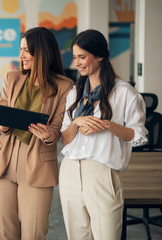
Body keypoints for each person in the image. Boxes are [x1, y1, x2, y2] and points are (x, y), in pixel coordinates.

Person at [59, 29, 148, 240]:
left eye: (83, 57)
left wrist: (108, 125)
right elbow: (65, 138)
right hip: (70, 171)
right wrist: (77, 122)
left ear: (100, 55)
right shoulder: (74, 93)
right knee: (77, 236)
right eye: (75, 58)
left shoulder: (124, 92)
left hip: (101, 173)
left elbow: (138, 135)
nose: (78, 63)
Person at [0, 27, 73, 239]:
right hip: (4, 160)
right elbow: (1, 123)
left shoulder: (65, 86)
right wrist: (3, 121)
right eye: (21, 49)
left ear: (42, 52)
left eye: (26, 50)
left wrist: (48, 134)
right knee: (6, 232)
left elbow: (58, 128)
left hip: (38, 162)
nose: (21, 55)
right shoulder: (12, 78)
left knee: (34, 232)